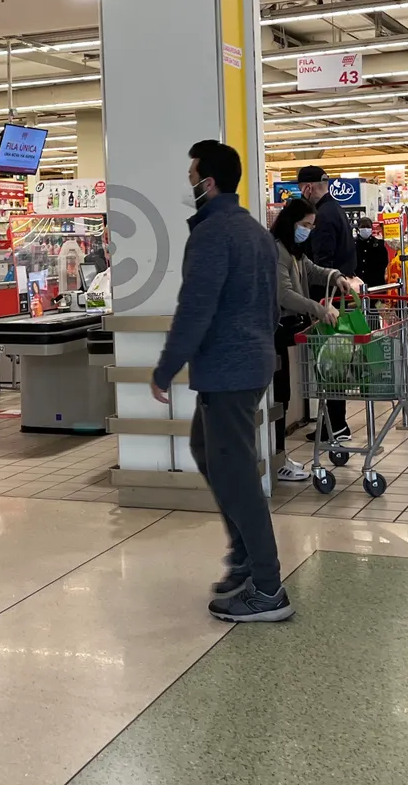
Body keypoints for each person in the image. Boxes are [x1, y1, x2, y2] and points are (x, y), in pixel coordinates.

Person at [152, 139, 289, 623]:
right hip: (248, 364)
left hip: (228, 370)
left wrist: (166, 366)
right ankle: (244, 557)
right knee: (206, 449)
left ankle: (268, 588)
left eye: (192, 178)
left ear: (208, 183)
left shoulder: (212, 234)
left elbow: (196, 308)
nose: (190, 185)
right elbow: (273, 301)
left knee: (235, 473)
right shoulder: (254, 231)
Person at [269, 197, 342, 482]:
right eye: (304, 225)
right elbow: (283, 294)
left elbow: (311, 270)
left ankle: (278, 455)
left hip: (283, 331)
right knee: (278, 395)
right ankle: (275, 459)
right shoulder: (277, 251)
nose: (308, 230)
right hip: (272, 331)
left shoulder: (294, 250)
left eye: (311, 226)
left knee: (282, 396)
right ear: (291, 222)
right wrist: (319, 309)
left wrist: (336, 276)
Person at [296, 166, 356, 279]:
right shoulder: (336, 208)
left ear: (308, 188)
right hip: (341, 280)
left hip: (328, 287)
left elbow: (322, 260)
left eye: (301, 190)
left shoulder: (321, 216)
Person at [355, 217, 390, 289]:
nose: (365, 229)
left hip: (376, 285)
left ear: (371, 228)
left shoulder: (379, 244)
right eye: (362, 227)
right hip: (357, 285)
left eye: (368, 227)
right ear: (358, 229)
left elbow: (384, 262)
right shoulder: (351, 245)